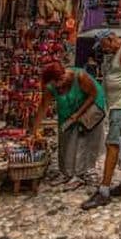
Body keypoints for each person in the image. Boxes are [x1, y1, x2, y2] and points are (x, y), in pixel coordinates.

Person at [82, 29, 121, 209]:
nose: (103, 49)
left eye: (103, 45)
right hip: (116, 104)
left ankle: (104, 190)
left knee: (112, 144)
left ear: (109, 39)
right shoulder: (116, 52)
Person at [32, 61, 106, 191]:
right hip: (69, 107)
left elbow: (93, 95)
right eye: (53, 83)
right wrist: (34, 130)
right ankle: (66, 172)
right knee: (65, 135)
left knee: (82, 139)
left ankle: (79, 174)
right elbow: (43, 107)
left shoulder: (80, 77)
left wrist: (77, 114)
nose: (57, 85)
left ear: (62, 76)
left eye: (58, 81)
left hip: (90, 104)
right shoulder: (52, 87)